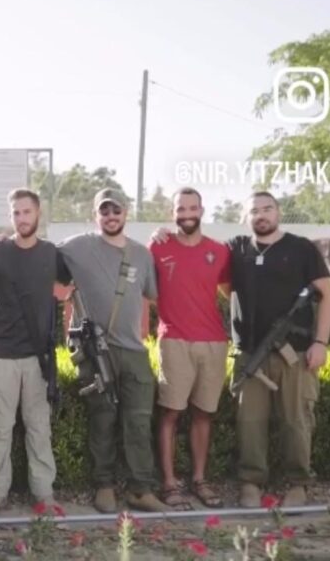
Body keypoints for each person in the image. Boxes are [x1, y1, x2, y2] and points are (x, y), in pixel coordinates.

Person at [56, 188, 168, 513]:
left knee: (139, 421)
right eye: (104, 211)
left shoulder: (142, 254)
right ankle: (103, 485)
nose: (110, 216)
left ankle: (140, 489)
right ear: (96, 215)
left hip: (133, 350)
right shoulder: (77, 246)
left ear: (126, 213)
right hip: (95, 351)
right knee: (102, 419)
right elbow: (38, 256)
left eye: (116, 210)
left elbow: (152, 294)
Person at [227, 192, 330, 508]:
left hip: (295, 352)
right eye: (254, 210)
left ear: (278, 212)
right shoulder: (237, 249)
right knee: (249, 422)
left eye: (267, 209)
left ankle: (298, 483)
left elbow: (326, 295)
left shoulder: (301, 248)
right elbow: (223, 285)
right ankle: (250, 482)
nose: (261, 215)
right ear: (247, 216)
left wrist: (320, 342)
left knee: (296, 420)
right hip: (250, 353)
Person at [0, 189, 71, 517]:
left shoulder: (52, 253)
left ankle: (44, 494)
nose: (22, 218)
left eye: (27, 212)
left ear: (38, 214)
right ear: (10, 215)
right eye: (16, 213)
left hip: (38, 357)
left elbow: (74, 284)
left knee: (39, 427)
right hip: (1, 354)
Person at [149, 187, 231, 510]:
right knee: (170, 412)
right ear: (172, 213)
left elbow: (229, 292)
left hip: (213, 342)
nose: (186, 214)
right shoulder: (158, 246)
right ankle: (169, 483)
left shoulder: (219, 251)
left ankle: (199, 480)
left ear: (202, 210)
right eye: (180, 208)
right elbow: (144, 288)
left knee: (204, 413)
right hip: (174, 341)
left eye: (192, 207)